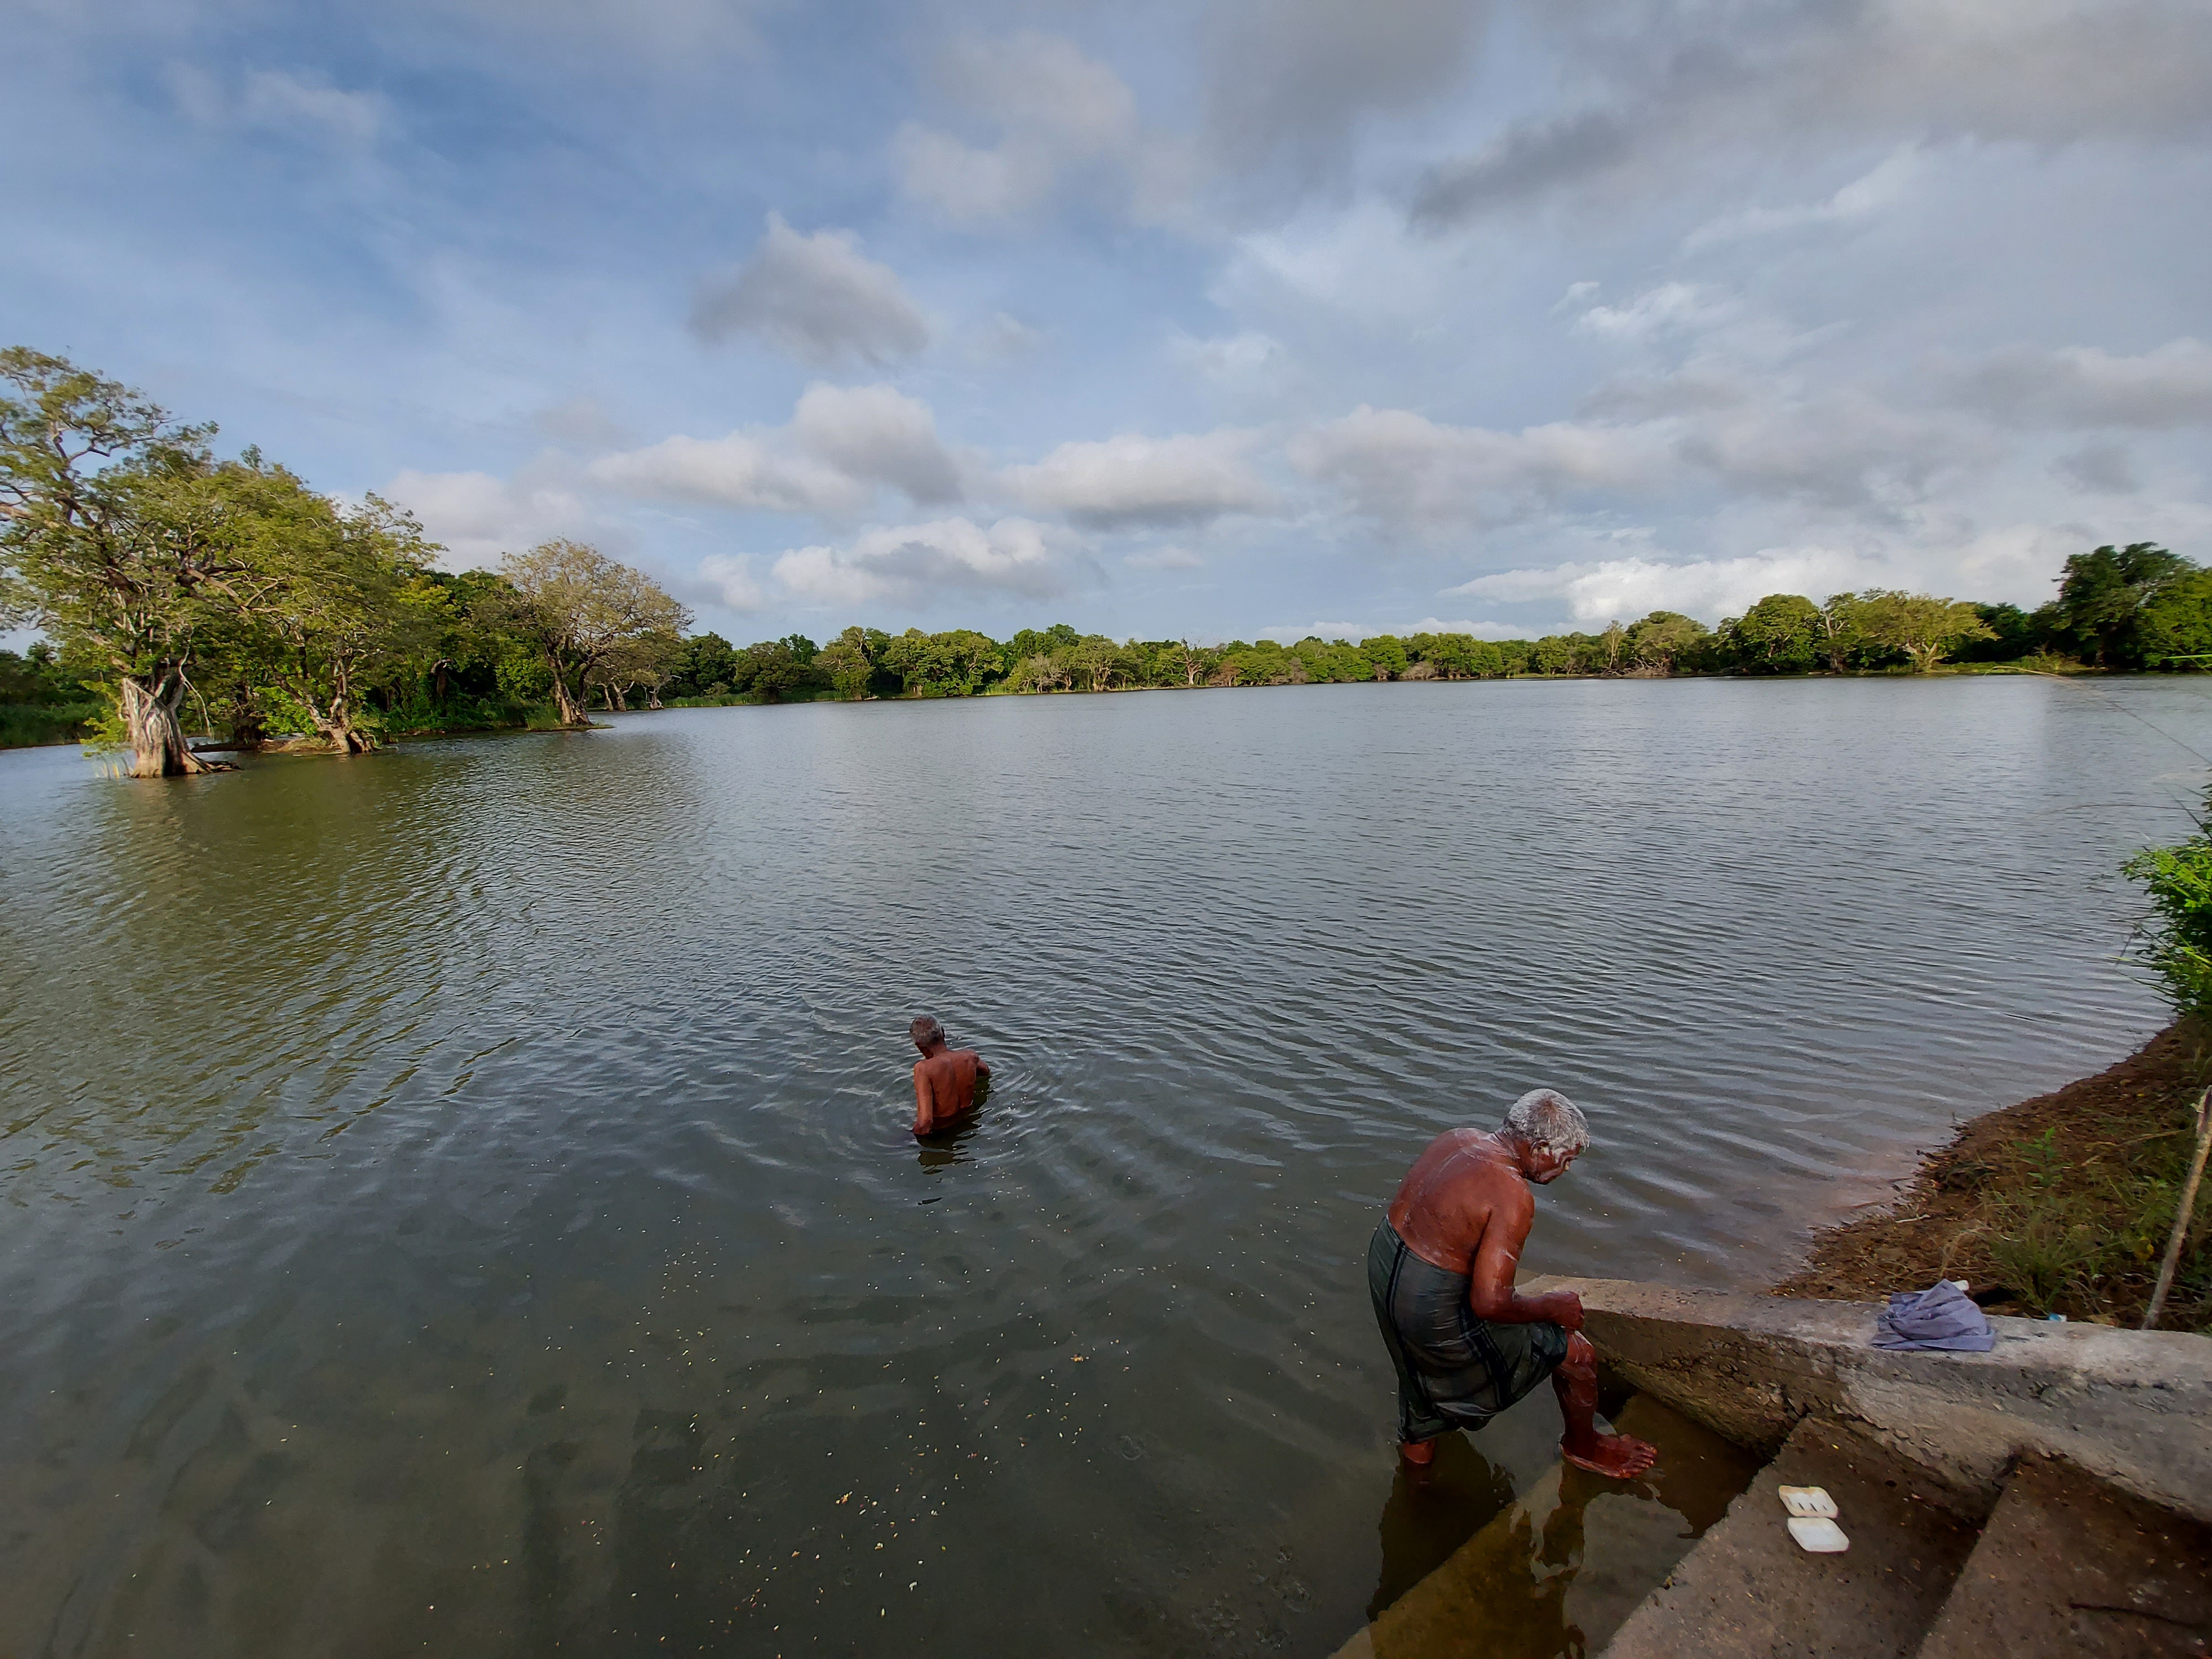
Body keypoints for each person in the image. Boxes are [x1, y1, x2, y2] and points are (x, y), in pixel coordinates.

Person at [1368, 1089, 1658, 1479]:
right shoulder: (1512, 1194)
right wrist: (1553, 1307)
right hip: (1428, 1302)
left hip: (1388, 1271)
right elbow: (1490, 1302)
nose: (1565, 1170)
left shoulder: (1457, 1138)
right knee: (1578, 1356)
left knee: (1419, 1378)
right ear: (1539, 1148)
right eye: (1566, 1159)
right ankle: (1583, 1448)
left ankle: (1418, 1482)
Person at [909, 1016, 989, 1137]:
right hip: (969, 1123)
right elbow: (986, 1072)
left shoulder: (923, 1069)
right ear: (944, 1032)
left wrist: (906, 1142)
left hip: (942, 1133)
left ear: (919, 1047)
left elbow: (926, 1122)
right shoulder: (970, 1057)